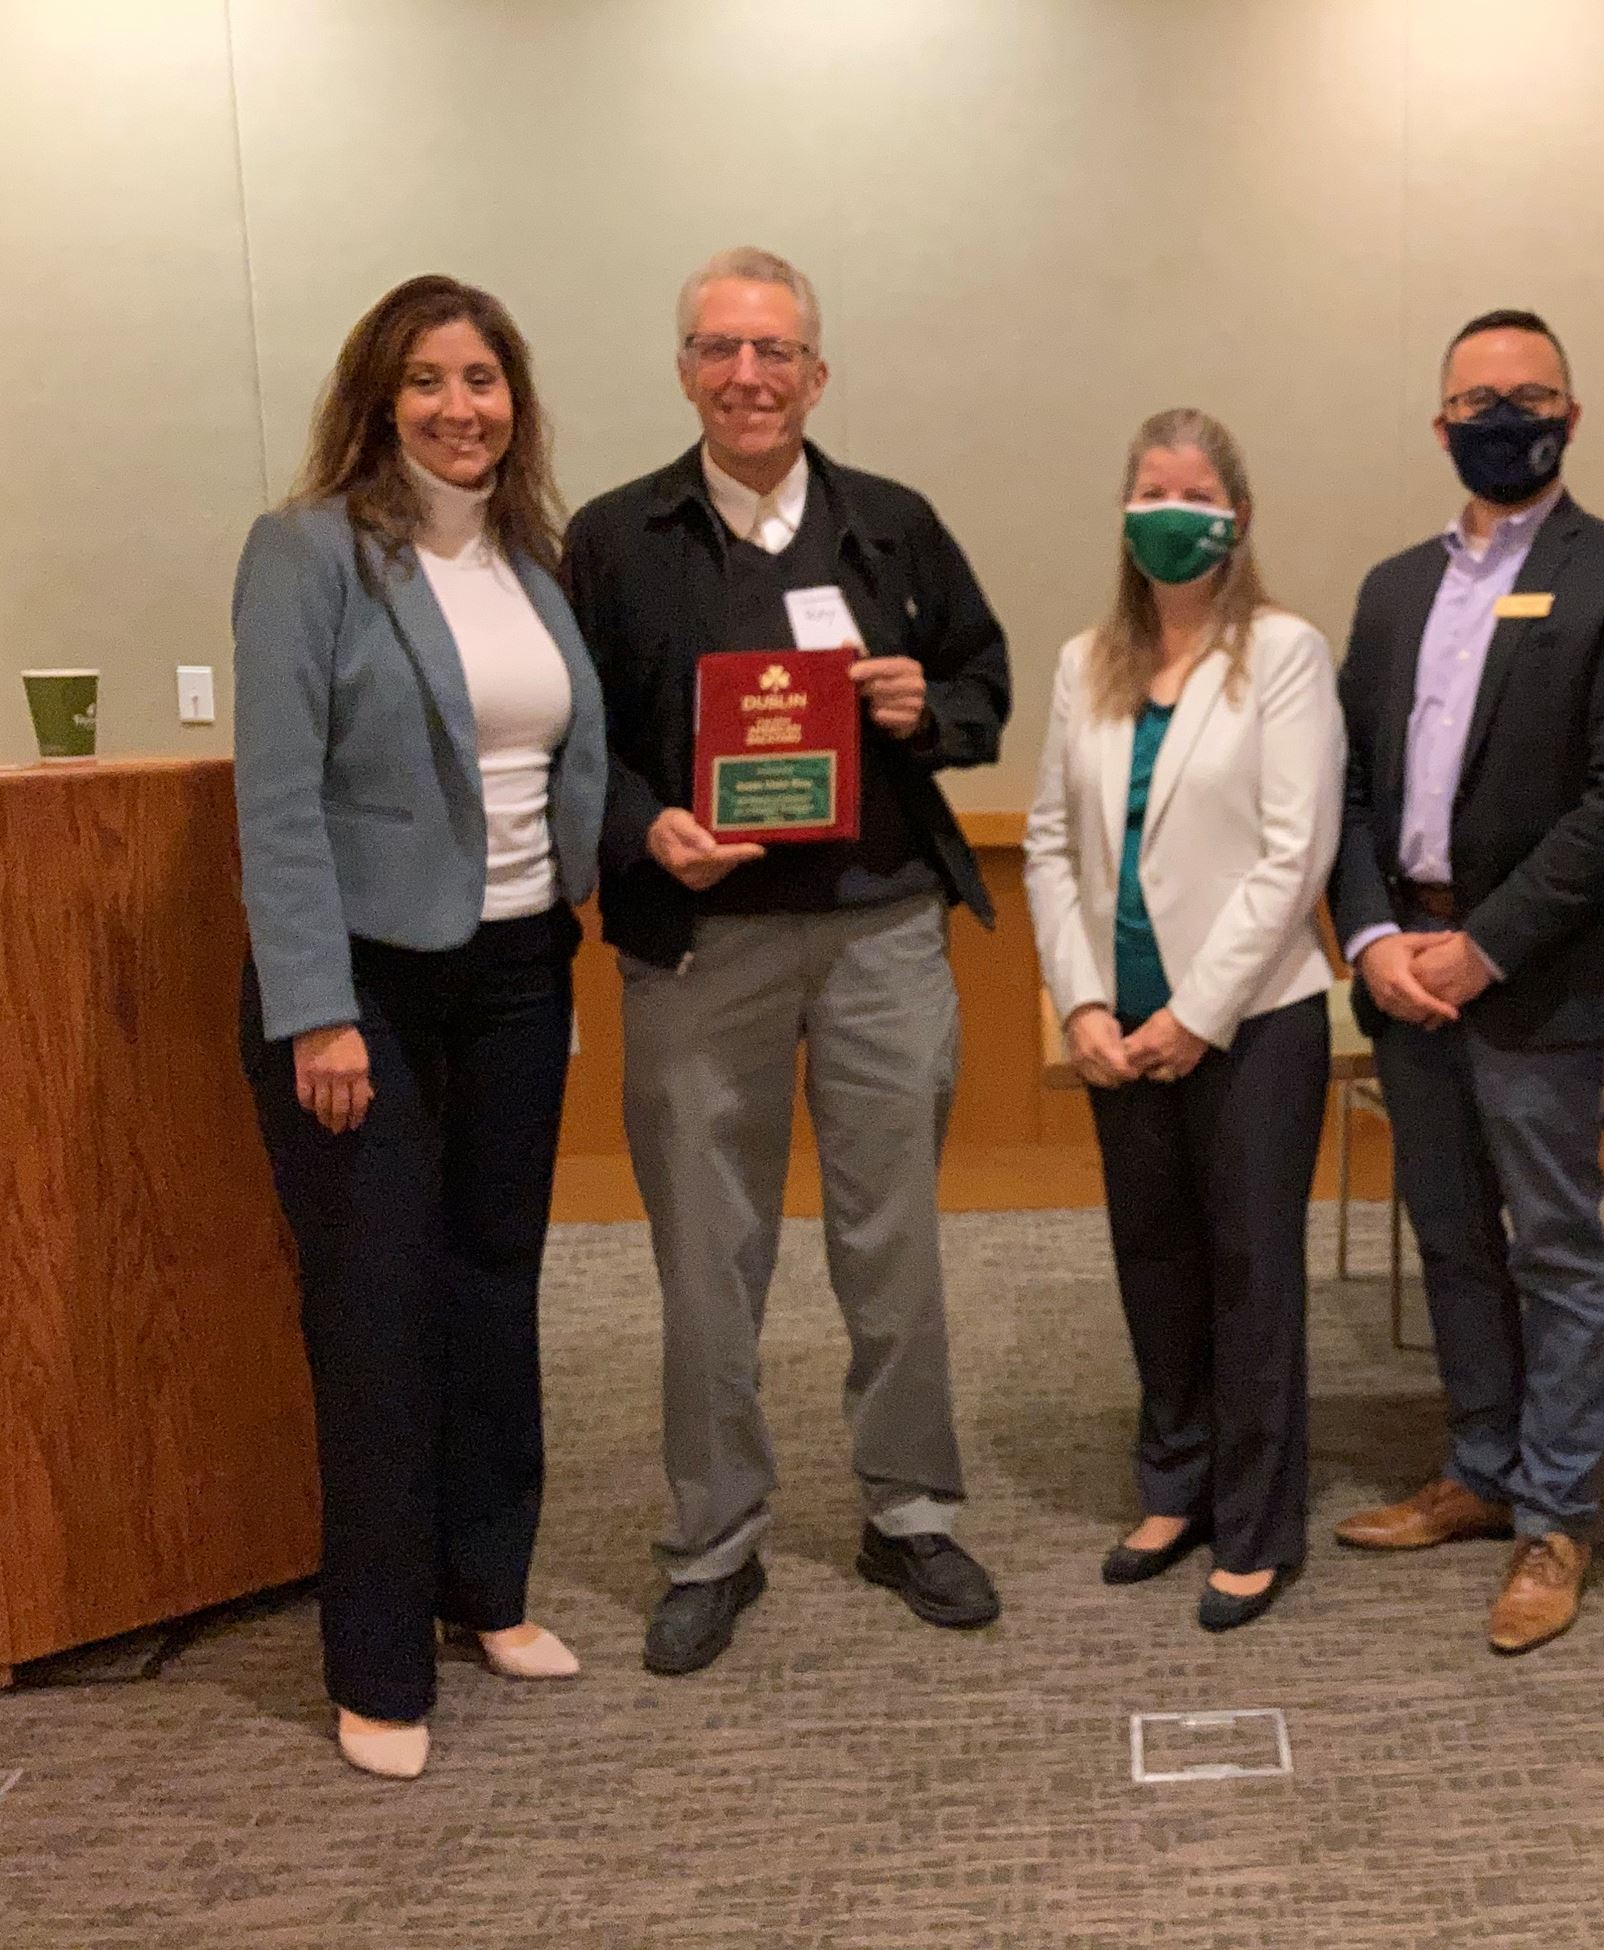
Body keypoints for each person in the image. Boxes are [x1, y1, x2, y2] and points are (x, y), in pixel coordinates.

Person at [564, 247, 1011, 1675]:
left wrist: (919, 703)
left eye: (775, 353)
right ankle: (712, 1538)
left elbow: (989, 691)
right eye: (719, 348)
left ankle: (911, 1508)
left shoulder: (894, 525)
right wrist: (647, 829)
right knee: (708, 1256)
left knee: (893, 1244)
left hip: (883, 930)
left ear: (818, 373)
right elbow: (576, 748)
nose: (747, 376)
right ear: (684, 367)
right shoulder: (614, 538)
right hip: (703, 947)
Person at [233, 275, 607, 1779]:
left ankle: (486, 1590)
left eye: (486, 378)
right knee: (379, 1317)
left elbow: (555, 760)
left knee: (492, 1287)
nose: (464, 407)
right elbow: (278, 797)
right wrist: (318, 1011)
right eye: (430, 380)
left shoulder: (532, 557)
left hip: (519, 967)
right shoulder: (308, 551)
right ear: (377, 399)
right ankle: (378, 1661)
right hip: (364, 991)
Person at [1328, 309, 1604, 1656]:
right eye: (1478, 396)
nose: (1504, 413)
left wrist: (1484, 946)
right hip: (1404, 966)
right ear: (1439, 425)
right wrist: (1374, 940)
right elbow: (1351, 787)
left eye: (1530, 393)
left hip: (1531, 975)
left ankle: (1556, 1512)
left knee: (1555, 1246)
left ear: (1572, 415)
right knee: (1451, 1238)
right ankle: (1479, 1470)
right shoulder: (1391, 588)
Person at [1022, 409, 1342, 1632]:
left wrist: (1197, 1016)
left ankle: (1257, 1525)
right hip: (1120, 1029)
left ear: (1236, 516)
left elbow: (1292, 851)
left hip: (1252, 1023)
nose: (1169, 509)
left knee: (1250, 1274)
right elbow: (1051, 844)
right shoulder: (1082, 663)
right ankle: (1175, 1484)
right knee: (1153, 1264)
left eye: (1193, 491)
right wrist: (1084, 1002)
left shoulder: (1284, 653)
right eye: (1147, 488)